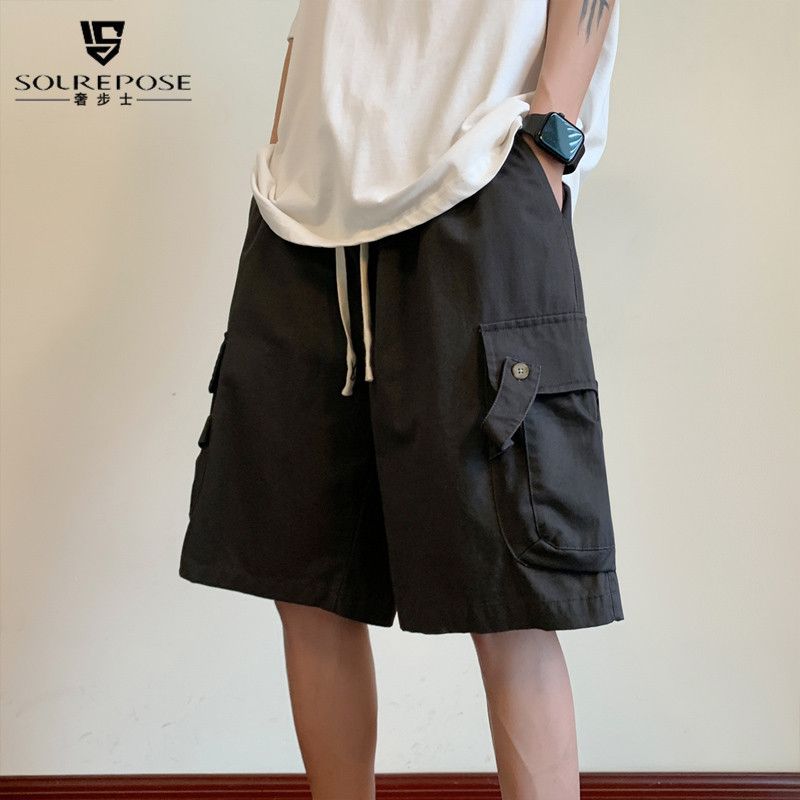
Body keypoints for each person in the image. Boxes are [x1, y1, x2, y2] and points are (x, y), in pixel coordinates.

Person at [179, 1, 624, 797]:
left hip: (477, 173)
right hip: (303, 205)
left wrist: (550, 143)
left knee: (511, 589)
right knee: (306, 581)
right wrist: (284, 139)